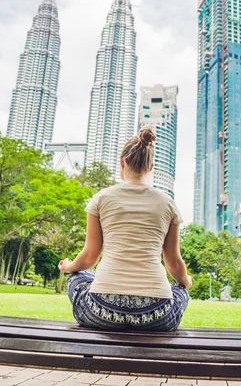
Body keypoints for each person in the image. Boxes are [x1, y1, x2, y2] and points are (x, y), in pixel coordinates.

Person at [59, 128, 192, 332]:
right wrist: (186, 283)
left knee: (78, 277)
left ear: (122, 162)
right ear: (150, 167)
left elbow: (90, 256)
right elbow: (173, 263)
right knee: (180, 290)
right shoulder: (167, 203)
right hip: (157, 315)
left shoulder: (101, 198)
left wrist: (68, 267)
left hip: (101, 311)